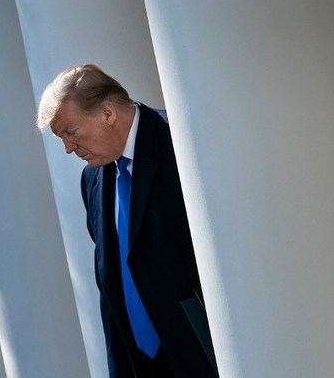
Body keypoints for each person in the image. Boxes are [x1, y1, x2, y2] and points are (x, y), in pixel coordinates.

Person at [37, 64, 218, 378]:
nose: (67, 148)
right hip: (142, 366)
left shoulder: (182, 145)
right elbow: (110, 292)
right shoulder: (92, 180)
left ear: (107, 113)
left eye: (71, 132)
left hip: (202, 355)